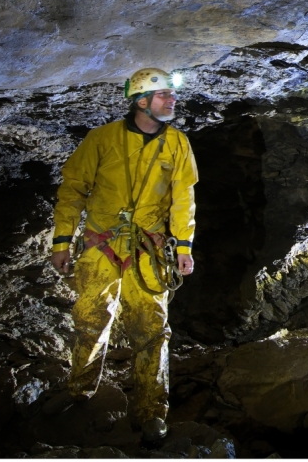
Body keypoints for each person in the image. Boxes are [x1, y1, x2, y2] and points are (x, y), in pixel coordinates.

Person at [48, 67, 198, 447]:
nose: (172, 100)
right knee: (90, 319)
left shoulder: (178, 144)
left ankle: (153, 412)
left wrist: (184, 246)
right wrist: (62, 243)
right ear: (141, 102)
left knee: (152, 330)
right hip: (101, 246)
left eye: (171, 94)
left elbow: (183, 199)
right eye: (164, 95)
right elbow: (73, 190)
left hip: (148, 250)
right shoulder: (102, 139)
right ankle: (80, 392)